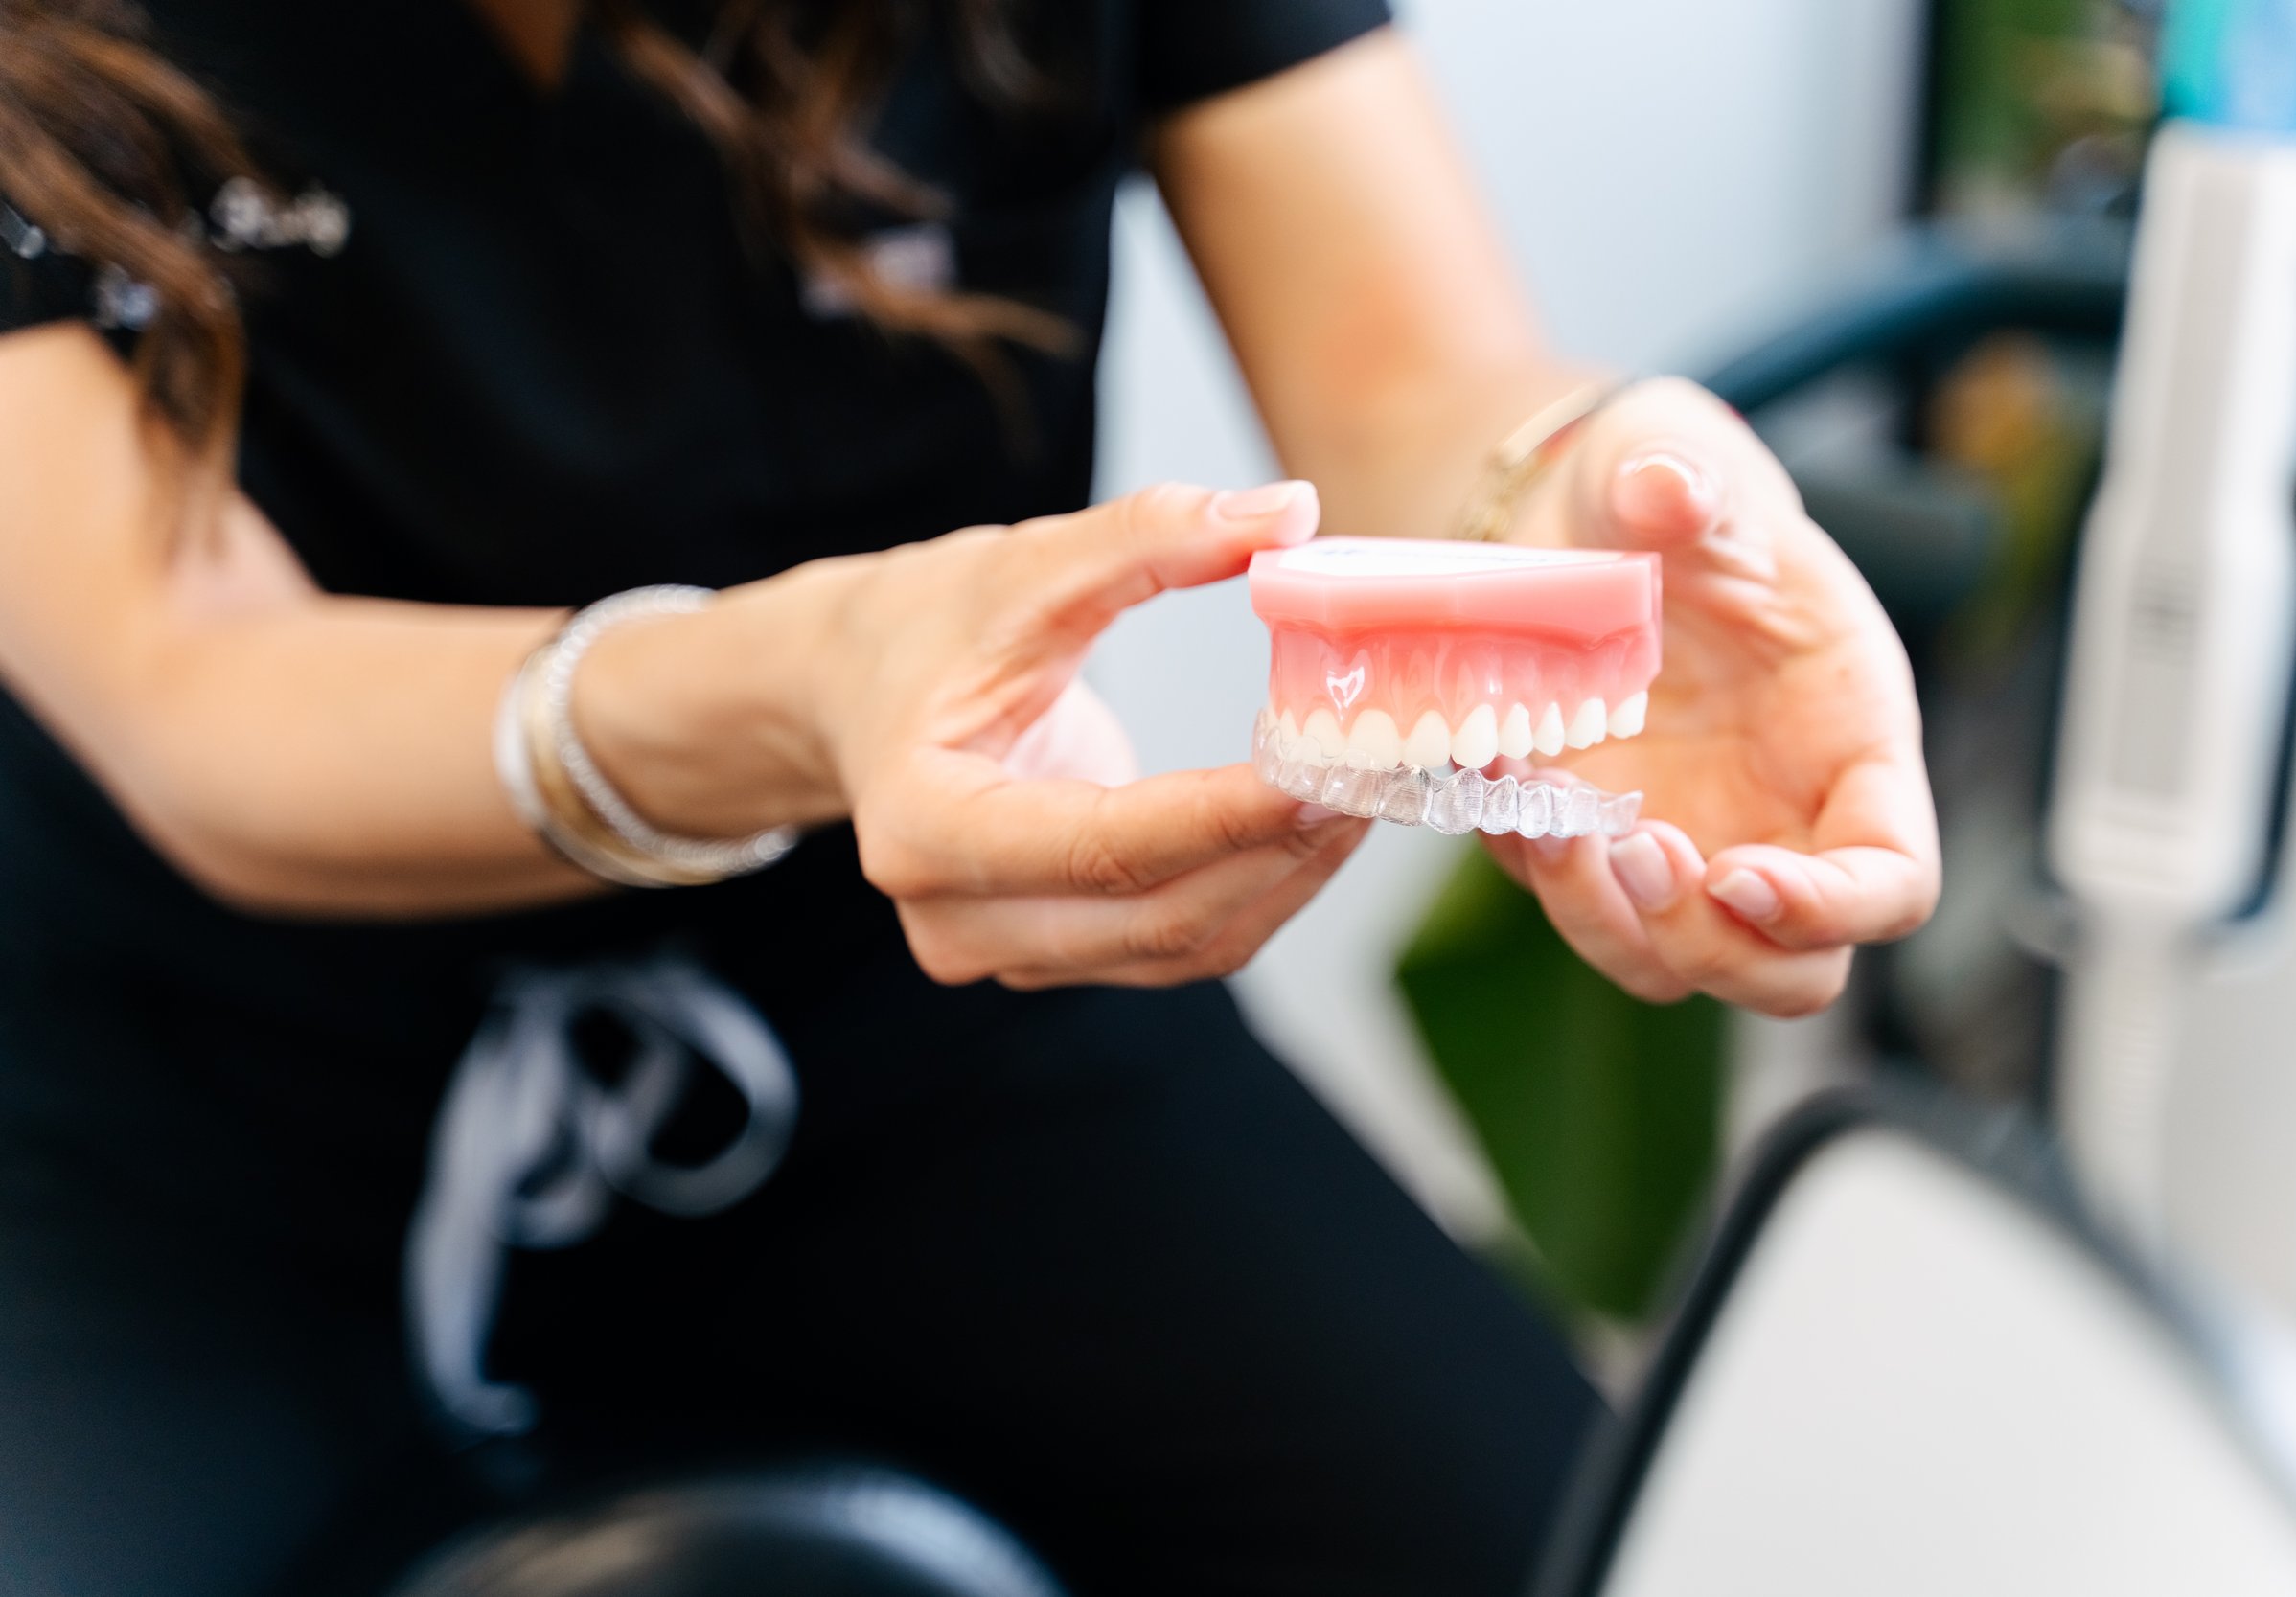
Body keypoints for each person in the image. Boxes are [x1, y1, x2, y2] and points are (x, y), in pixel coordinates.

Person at [0, 1, 1940, 1593]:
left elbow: (1405, 377)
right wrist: (804, 682)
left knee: (1563, 1549)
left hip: (923, 1024)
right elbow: (191, 679)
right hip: (162, 1101)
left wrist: (1571, 500)